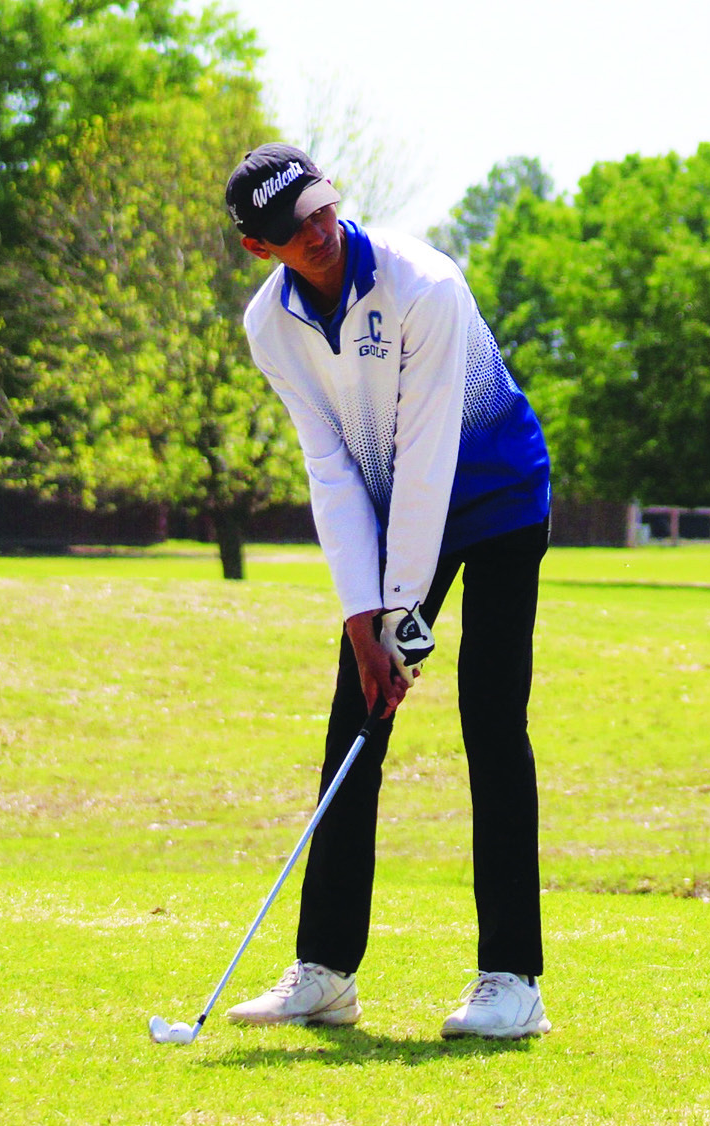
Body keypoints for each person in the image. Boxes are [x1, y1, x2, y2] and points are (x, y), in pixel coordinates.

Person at [218, 144, 553, 1039]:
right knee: (354, 719)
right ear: (263, 248)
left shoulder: (424, 286)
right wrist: (362, 618)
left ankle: (512, 979)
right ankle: (325, 970)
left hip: (498, 498)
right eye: (296, 228)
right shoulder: (270, 326)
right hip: (394, 500)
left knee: (490, 720)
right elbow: (333, 471)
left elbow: (430, 458)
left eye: (323, 209)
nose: (320, 231)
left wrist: (398, 616)